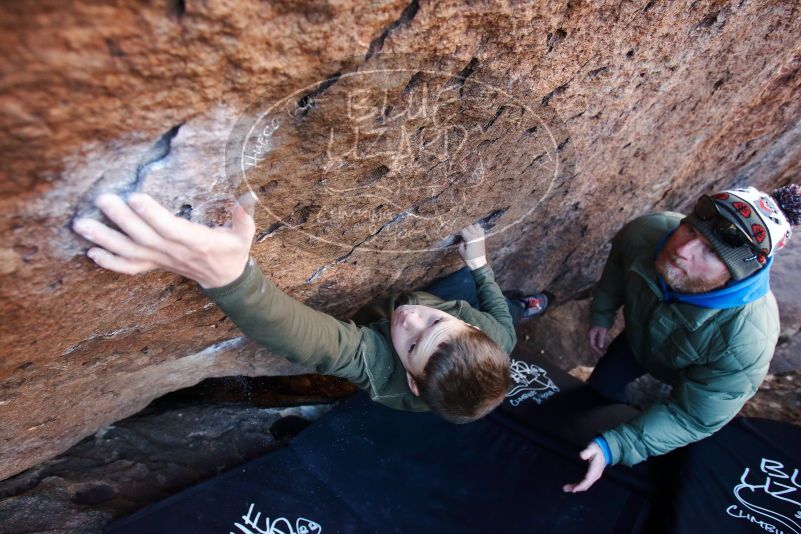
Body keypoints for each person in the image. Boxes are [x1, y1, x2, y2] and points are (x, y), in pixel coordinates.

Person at [72, 192, 542, 423]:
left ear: (413, 382)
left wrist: (230, 278)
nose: (411, 320)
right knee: (508, 309)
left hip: (382, 345)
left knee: (369, 338)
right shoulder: (497, 336)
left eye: (415, 342)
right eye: (436, 322)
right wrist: (480, 266)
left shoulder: (387, 374)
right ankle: (536, 303)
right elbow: (500, 314)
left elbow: (314, 341)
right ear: (464, 323)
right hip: (463, 312)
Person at [564, 184, 801, 493]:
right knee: (600, 388)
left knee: (675, 412)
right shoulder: (646, 233)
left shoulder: (747, 339)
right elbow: (618, 268)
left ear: (737, 274)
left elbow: (695, 415)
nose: (681, 250)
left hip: (687, 371)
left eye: (712, 251)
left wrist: (620, 445)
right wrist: (602, 314)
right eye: (690, 230)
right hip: (637, 340)